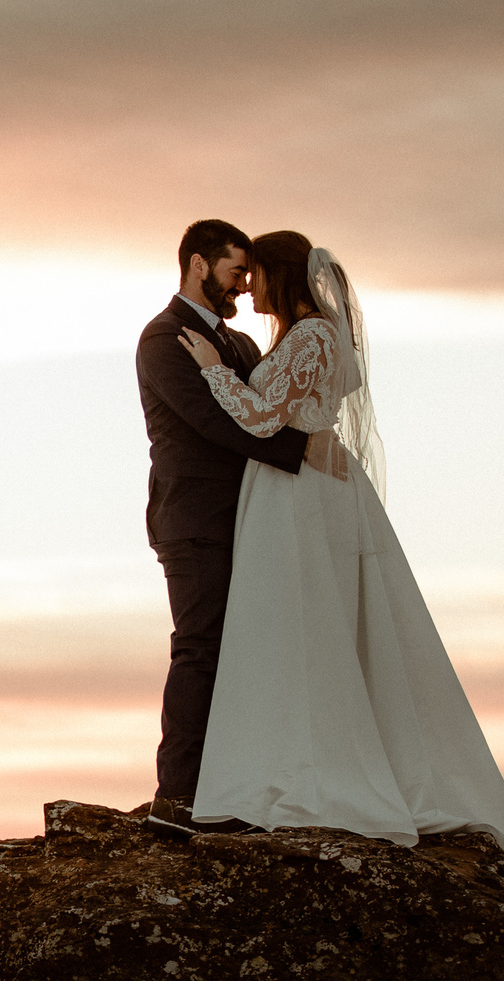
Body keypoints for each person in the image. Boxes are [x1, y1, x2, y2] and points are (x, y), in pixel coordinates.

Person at [169, 229, 504, 941]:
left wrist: (213, 371)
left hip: (294, 499)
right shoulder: (305, 337)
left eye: (256, 274)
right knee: (287, 631)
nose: (248, 288)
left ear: (281, 274)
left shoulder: (307, 338)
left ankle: (306, 768)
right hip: (294, 489)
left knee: (300, 627)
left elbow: (263, 417)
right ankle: (279, 760)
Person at [135, 220, 311, 837]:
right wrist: (303, 452)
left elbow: (261, 409)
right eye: (236, 272)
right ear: (198, 265)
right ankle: (176, 798)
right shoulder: (162, 339)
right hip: (195, 521)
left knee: (246, 655)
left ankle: (234, 789)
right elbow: (217, 422)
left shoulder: (237, 344)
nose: (244, 284)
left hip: (250, 518)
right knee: (201, 648)